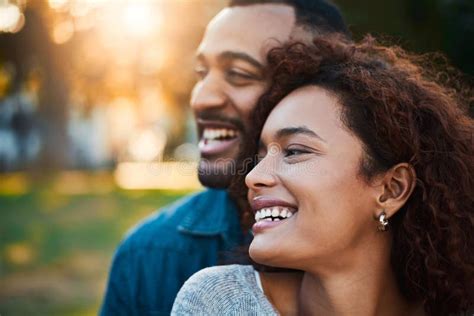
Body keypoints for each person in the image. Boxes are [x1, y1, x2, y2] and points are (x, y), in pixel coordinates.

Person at [171, 35, 474, 315]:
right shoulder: (220, 303)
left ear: (391, 190)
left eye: (294, 151)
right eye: (259, 157)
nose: (252, 177)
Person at [100, 1, 349, 315]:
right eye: (202, 73)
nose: (201, 98)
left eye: (239, 74)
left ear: (321, 88)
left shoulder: (413, 252)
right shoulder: (148, 256)